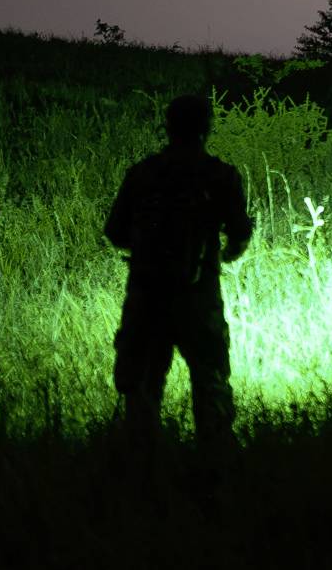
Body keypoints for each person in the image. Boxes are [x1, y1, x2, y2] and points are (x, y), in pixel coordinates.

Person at [104, 93, 254, 477]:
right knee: (211, 384)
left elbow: (115, 231)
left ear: (168, 126)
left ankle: (140, 475)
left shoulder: (143, 174)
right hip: (198, 299)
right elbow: (239, 237)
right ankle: (215, 473)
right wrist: (213, 256)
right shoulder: (221, 176)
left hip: (147, 296)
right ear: (207, 127)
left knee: (141, 390)